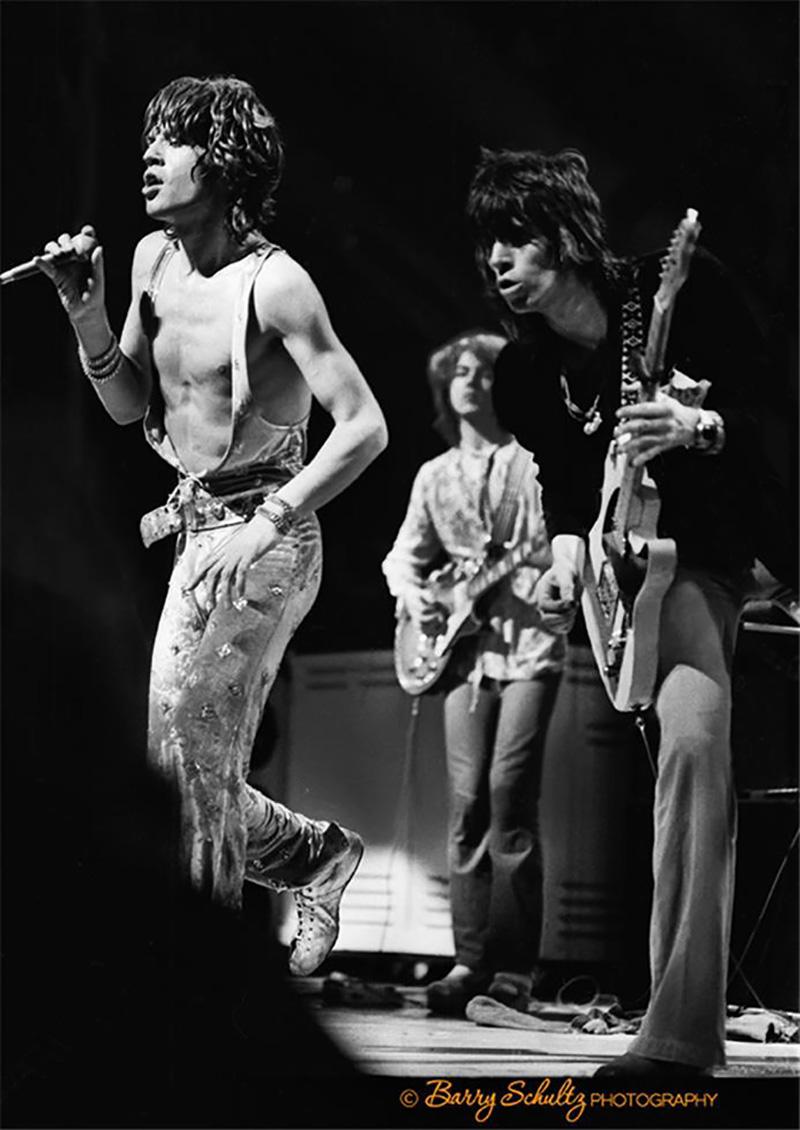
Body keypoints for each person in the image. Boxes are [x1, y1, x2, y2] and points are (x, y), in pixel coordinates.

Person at [35, 75, 388, 977]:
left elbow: (365, 427)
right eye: (148, 137)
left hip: (271, 541)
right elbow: (127, 407)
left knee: (188, 756)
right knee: (182, 764)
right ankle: (314, 858)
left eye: (174, 140)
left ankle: (191, 981)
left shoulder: (278, 286)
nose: (148, 155)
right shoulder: (151, 262)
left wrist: (266, 523)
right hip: (200, 538)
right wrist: (85, 316)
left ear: (223, 162)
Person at [465, 147, 796, 1074]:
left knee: (692, 754)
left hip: (737, 546)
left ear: (567, 237)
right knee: (686, 760)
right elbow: (565, 490)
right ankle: (680, 1029)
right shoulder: (523, 375)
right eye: (487, 242)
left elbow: (773, 409)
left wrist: (698, 425)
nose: (497, 260)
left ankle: (681, 1032)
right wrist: (568, 554)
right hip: (644, 582)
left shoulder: (675, 293)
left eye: (516, 237)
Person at [382, 330, 564, 1017]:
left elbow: (558, 546)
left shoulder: (536, 464)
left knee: (510, 794)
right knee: (467, 807)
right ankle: (468, 961)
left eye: (483, 372)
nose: (470, 381)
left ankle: (514, 971)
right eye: (459, 371)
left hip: (529, 647)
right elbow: (402, 558)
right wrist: (419, 597)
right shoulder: (433, 476)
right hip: (459, 653)